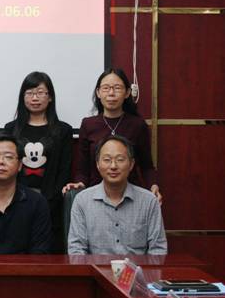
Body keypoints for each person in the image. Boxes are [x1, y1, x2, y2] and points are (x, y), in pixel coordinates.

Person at [63, 68, 163, 202]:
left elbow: (146, 166)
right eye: (106, 88)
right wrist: (79, 184)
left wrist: (153, 186)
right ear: (98, 93)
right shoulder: (88, 124)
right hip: (96, 196)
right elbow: (83, 169)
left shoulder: (137, 125)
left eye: (117, 88)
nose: (111, 93)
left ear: (127, 93)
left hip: (130, 195)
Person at [4, 71, 72, 253]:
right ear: (23, 97)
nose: (35, 98)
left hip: (52, 203)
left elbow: (64, 170)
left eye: (40, 92)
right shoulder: (11, 129)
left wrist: (50, 201)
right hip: (16, 201)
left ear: (50, 97)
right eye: (30, 93)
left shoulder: (63, 131)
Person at [67, 135, 167, 255]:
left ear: (131, 164)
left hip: (138, 267)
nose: (113, 166)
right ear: (97, 164)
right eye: (107, 160)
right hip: (95, 267)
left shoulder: (149, 201)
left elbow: (158, 250)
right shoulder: (82, 201)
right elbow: (76, 250)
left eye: (120, 159)